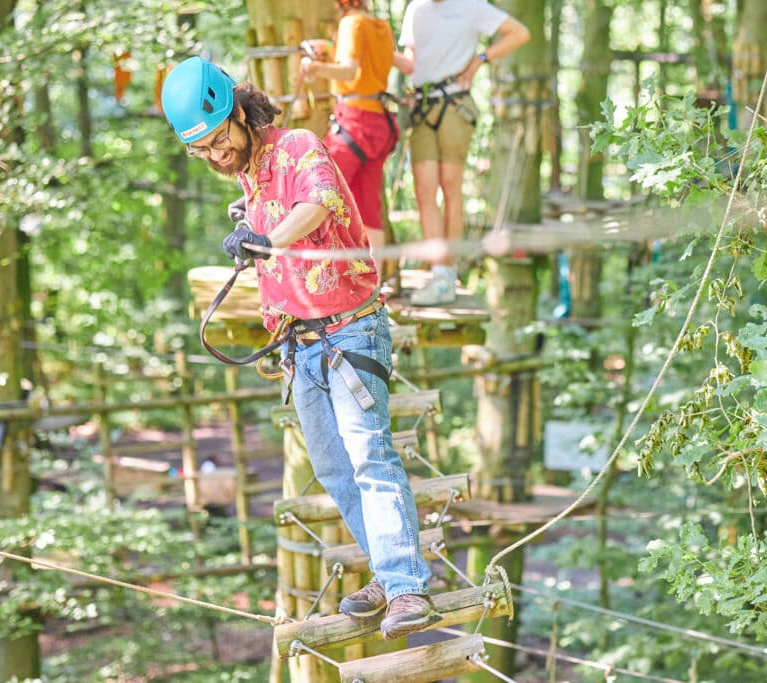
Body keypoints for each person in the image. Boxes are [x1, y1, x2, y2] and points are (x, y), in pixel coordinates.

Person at [161, 56, 441, 639]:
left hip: (350, 330)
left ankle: (407, 585)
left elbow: (315, 204)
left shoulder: (297, 147)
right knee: (335, 469)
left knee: (371, 457)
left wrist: (267, 237)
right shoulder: (251, 173)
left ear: (239, 112)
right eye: (202, 151)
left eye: (219, 140)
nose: (216, 155)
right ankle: (390, 577)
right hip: (302, 344)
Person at [399, 0, 530, 306]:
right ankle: (438, 271)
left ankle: (446, 276)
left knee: (450, 187)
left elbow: (519, 33)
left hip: (455, 105)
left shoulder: (471, 6)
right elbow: (411, 62)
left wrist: (480, 59)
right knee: (424, 191)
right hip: (421, 106)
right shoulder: (416, 9)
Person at [301, 0, 411, 262]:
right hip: (379, 124)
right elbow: (399, 63)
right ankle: (376, 286)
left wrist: (313, 68)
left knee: (319, 192)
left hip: (354, 123)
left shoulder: (351, 23)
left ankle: (318, 274)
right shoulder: (380, 26)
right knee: (368, 207)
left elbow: (350, 70)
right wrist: (330, 48)